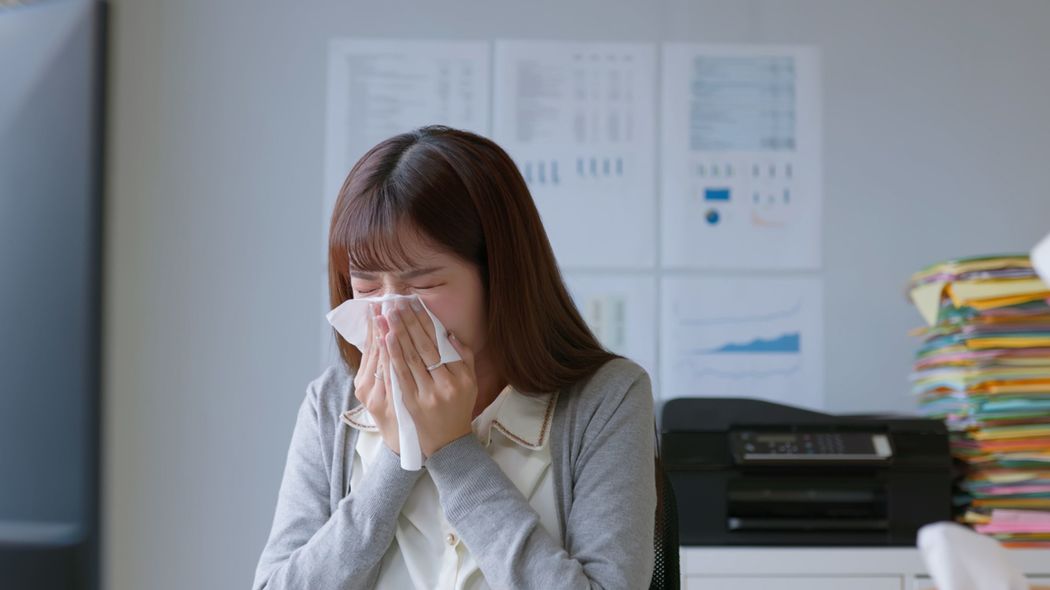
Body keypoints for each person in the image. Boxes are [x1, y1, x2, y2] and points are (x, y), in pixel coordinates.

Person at [252, 125, 656, 589]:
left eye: (422, 285)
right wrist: (399, 450)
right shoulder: (331, 405)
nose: (389, 314)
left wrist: (451, 450)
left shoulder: (606, 399)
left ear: (500, 277)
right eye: (365, 286)